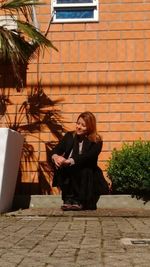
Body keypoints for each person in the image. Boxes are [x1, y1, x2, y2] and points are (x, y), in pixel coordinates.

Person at [51, 111, 112, 211]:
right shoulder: (70, 136)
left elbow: (88, 157)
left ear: (90, 127)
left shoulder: (96, 140)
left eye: (83, 125)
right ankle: (68, 199)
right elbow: (56, 149)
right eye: (78, 123)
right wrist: (55, 157)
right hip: (70, 170)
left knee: (82, 168)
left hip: (89, 172)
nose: (79, 127)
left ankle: (79, 200)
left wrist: (70, 161)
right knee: (62, 166)